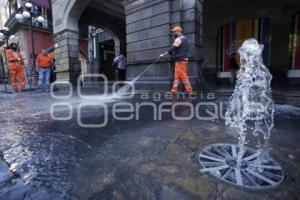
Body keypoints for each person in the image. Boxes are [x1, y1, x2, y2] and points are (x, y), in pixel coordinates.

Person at [160, 25, 193, 94]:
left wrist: (163, 54)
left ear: (178, 32)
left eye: (174, 32)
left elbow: (172, 49)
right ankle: (174, 90)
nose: (173, 33)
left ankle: (189, 91)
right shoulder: (185, 39)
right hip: (181, 60)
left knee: (183, 76)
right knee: (176, 76)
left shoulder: (178, 39)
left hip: (180, 60)